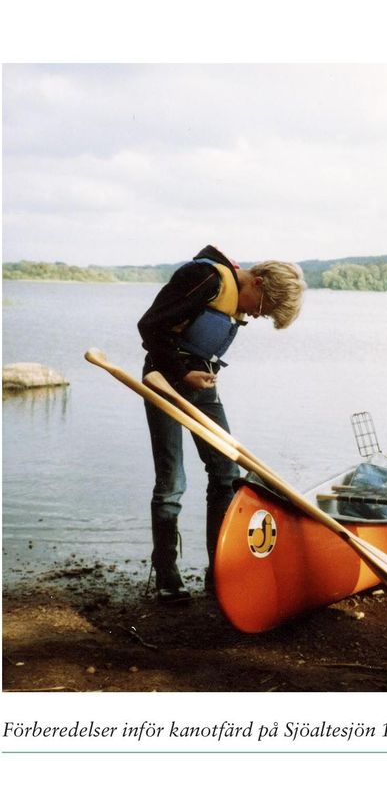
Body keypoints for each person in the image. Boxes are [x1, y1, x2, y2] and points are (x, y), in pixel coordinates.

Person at [138, 245, 305, 602]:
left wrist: (195, 375)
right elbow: (150, 326)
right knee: (172, 480)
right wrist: (182, 371)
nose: (257, 317)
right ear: (256, 281)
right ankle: (167, 575)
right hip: (163, 381)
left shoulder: (232, 291)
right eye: (262, 309)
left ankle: (219, 572)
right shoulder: (204, 278)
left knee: (226, 473)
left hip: (201, 386)